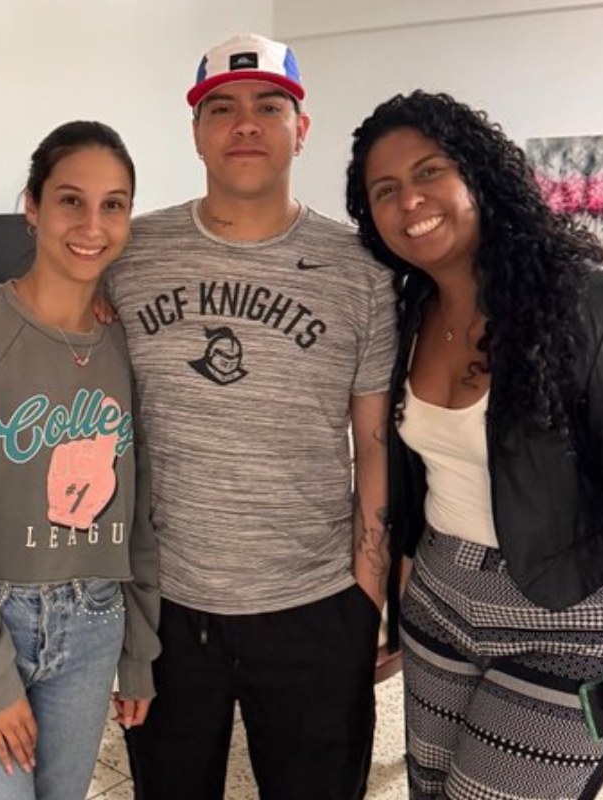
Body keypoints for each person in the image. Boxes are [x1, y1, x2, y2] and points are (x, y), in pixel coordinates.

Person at [345, 90, 603, 800]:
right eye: (385, 189)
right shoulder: (405, 314)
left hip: (563, 616)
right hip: (439, 598)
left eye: (429, 171)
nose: (409, 201)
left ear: (478, 175)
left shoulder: (596, 307)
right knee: (430, 791)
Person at [105, 33, 397, 800]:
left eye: (269, 106)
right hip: (166, 606)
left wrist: (367, 596)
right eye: (221, 109)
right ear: (195, 132)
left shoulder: (362, 271)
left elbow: (374, 441)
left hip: (315, 604)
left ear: (301, 129)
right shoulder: (130, 256)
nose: (245, 124)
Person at [0, 120, 160, 800]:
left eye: (113, 204)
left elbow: (140, 507)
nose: (92, 225)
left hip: (95, 621)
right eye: (71, 200)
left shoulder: (127, 342)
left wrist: (138, 654)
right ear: (32, 206)